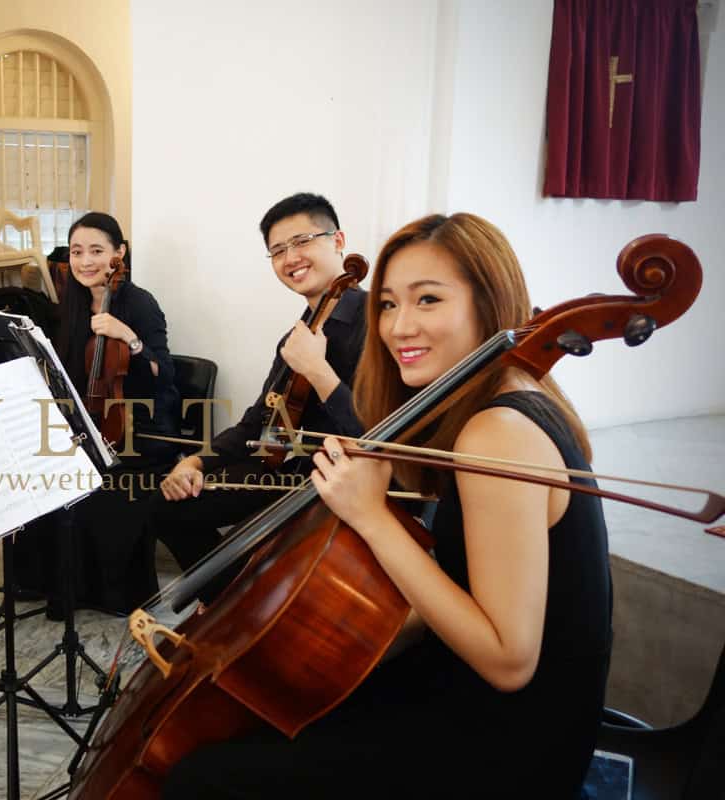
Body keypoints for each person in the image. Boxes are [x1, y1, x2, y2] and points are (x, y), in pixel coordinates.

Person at [162, 213, 613, 798]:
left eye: (428, 299)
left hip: (508, 750)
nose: (400, 326)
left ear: (489, 301)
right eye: (390, 305)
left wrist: (370, 516)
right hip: (481, 698)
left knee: (201, 779)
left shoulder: (496, 432)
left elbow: (509, 660)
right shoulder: (510, 395)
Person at [149, 192, 367, 602]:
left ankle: (246, 606)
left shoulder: (376, 321)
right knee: (166, 505)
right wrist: (194, 462)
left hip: (341, 480)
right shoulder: (298, 335)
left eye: (302, 242)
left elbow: (374, 432)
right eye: (278, 251)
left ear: (338, 241)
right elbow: (259, 422)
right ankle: (234, 604)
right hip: (288, 468)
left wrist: (319, 372)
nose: (290, 258)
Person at [13, 211, 182, 615]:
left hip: (139, 423)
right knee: (41, 468)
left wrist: (129, 338)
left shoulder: (139, 302)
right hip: (90, 417)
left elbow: (164, 374)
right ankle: (44, 580)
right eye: (76, 252)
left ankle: (102, 591)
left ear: (118, 253)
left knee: (101, 483)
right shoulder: (71, 302)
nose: (85, 261)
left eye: (97, 251)